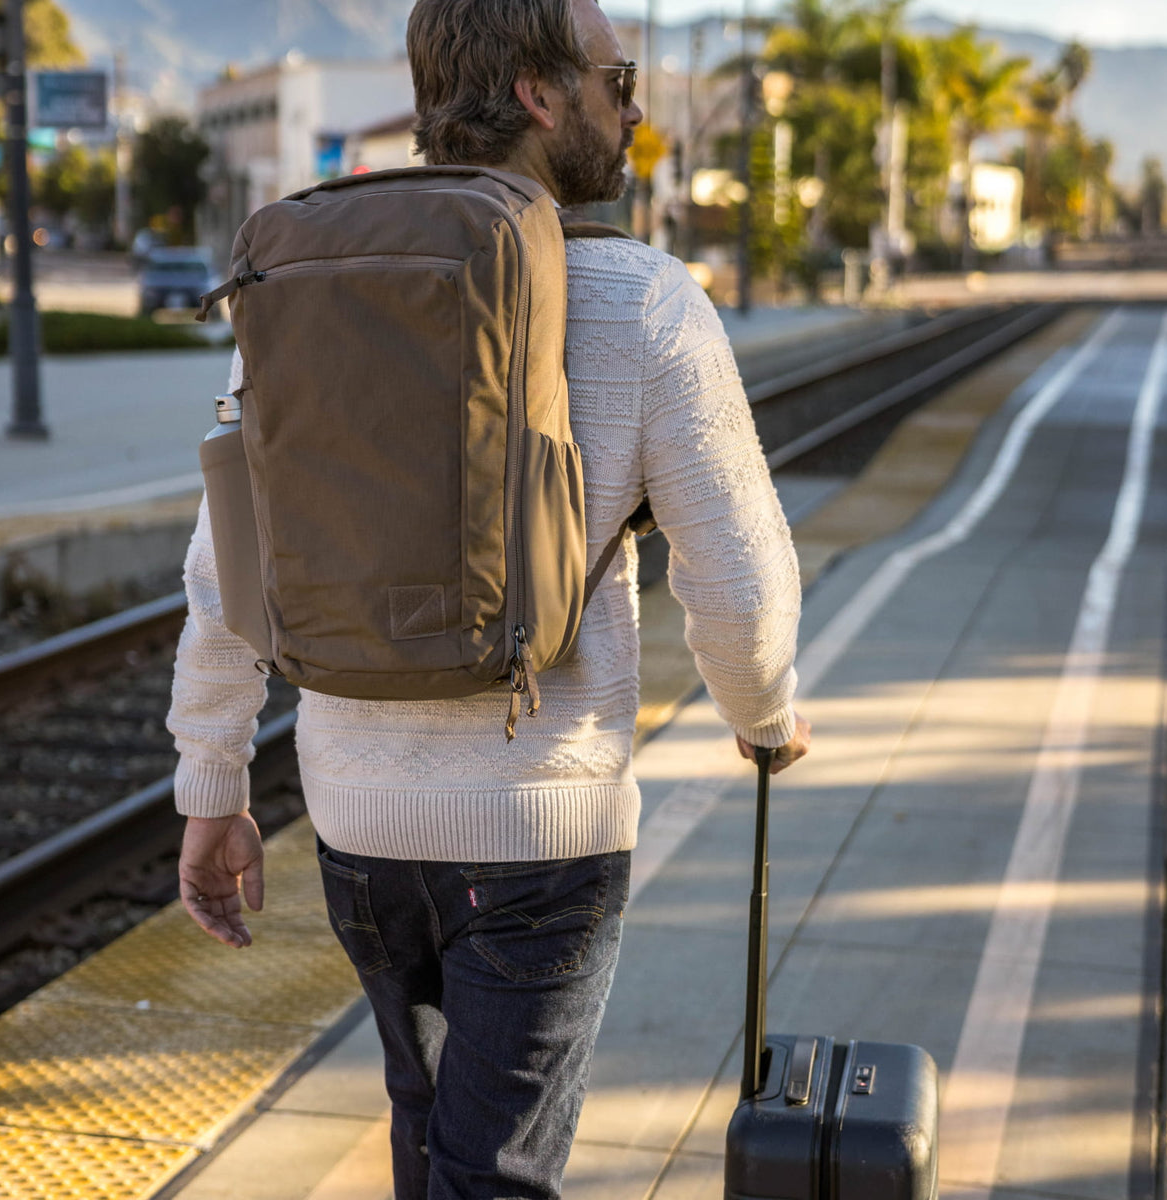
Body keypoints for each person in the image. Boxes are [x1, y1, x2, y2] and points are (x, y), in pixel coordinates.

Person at [167, 0, 811, 1196]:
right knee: (493, 1177)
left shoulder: (311, 279)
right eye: (616, 79)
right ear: (539, 93)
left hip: (356, 829)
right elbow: (738, 582)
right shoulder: (644, 301)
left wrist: (211, 786)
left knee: (434, 1150)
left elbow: (225, 567)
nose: (634, 106)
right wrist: (765, 712)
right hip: (538, 839)